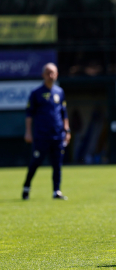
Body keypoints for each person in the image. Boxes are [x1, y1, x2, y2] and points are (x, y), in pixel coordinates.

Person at [22, 63, 70, 200]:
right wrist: (28, 132)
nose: (51, 75)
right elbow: (29, 114)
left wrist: (67, 130)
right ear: (43, 75)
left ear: (57, 74)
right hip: (42, 136)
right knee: (35, 162)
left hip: (58, 135)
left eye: (53, 72)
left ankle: (57, 191)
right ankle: (26, 187)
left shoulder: (60, 92)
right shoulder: (36, 93)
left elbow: (64, 114)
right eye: (48, 72)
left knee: (57, 164)